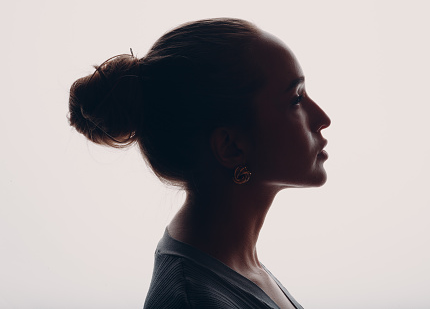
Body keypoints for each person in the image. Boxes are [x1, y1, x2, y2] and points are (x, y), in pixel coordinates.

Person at [68, 18, 331, 309]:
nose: (322, 119)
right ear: (231, 147)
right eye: (296, 99)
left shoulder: (233, 265)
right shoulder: (193, 300)